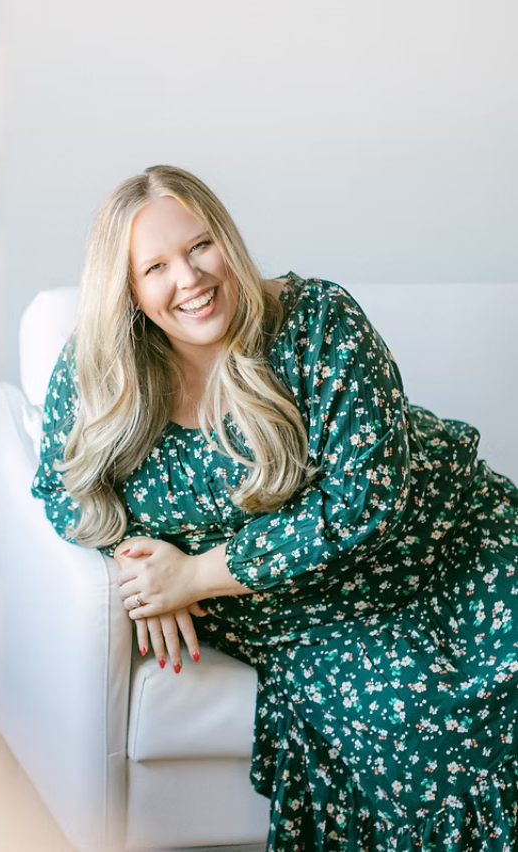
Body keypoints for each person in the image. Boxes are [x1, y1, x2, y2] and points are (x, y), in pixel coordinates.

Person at [31, 164, 518, 850]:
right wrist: (140, 567)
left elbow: (365, 499)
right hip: (311, 615)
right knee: (422, 729)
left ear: (226, 240)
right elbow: (61, 491)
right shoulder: (100, 371)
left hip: (452, 541)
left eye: (200, 246)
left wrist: (196, 576)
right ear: (130, 293)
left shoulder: (316, 320)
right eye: (157, 267)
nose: (190, 278)